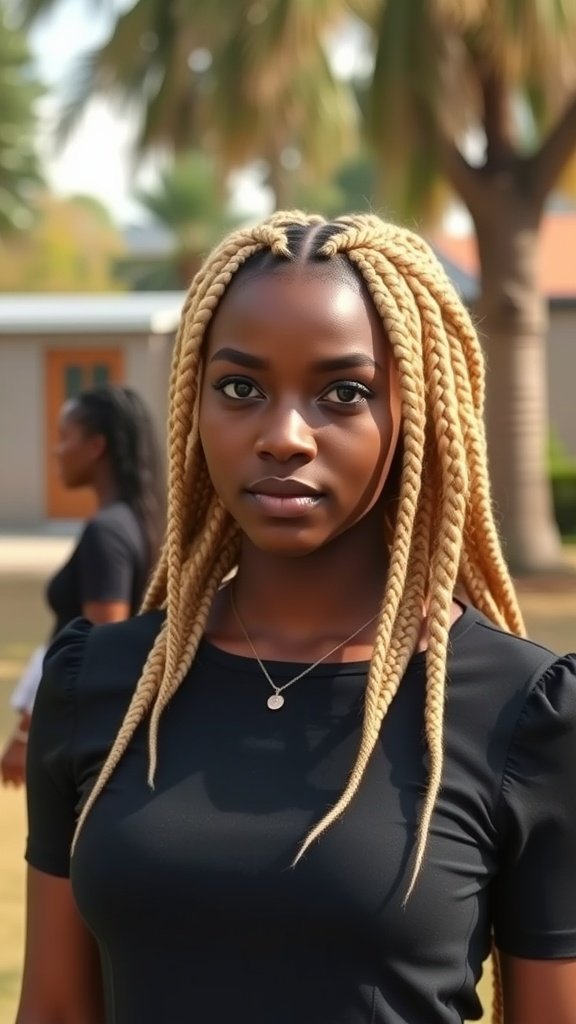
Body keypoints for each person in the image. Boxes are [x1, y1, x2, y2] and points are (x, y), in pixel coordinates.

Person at [16, 212, 576, 1024]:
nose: (283, 436)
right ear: (192, 406)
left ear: (420, 413)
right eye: (240, 387)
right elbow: (56, 1011)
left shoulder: (522, 712)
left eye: (343, 392)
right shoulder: (96, 685)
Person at [1, 385, 165, 787]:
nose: (56, 451)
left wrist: (26, 733)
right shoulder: (144, 522)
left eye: (64, 438)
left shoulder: (107, 532)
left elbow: (97, 646)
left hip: (83, 737)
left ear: (95, 446)